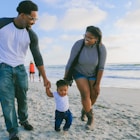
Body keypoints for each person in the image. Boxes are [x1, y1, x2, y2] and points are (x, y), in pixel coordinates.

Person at [0, 1, 51, 140]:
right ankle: (13, 130)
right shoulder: (2, 24)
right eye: (31, 18)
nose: (34, 21)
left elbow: (37, 57)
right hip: (3, 68)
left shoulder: (31, 35)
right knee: (7, 100)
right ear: (22, 15)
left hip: (21, 69)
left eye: (36, 19)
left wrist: (45, 78)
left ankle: (23, 119)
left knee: (22, 97)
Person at [64, 26, 107, 130]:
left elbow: (101, 68)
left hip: (93, 74)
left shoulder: (101, 48)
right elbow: (70, 62)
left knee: (95, 94)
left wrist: (97, 84)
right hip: (79, 72)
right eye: (85, 36)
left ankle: (85, 109)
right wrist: (65, 78)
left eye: (89, 38)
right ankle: (90, 118)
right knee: (85, 94)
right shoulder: (78, 44)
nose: (86, 39)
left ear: (96, 39)